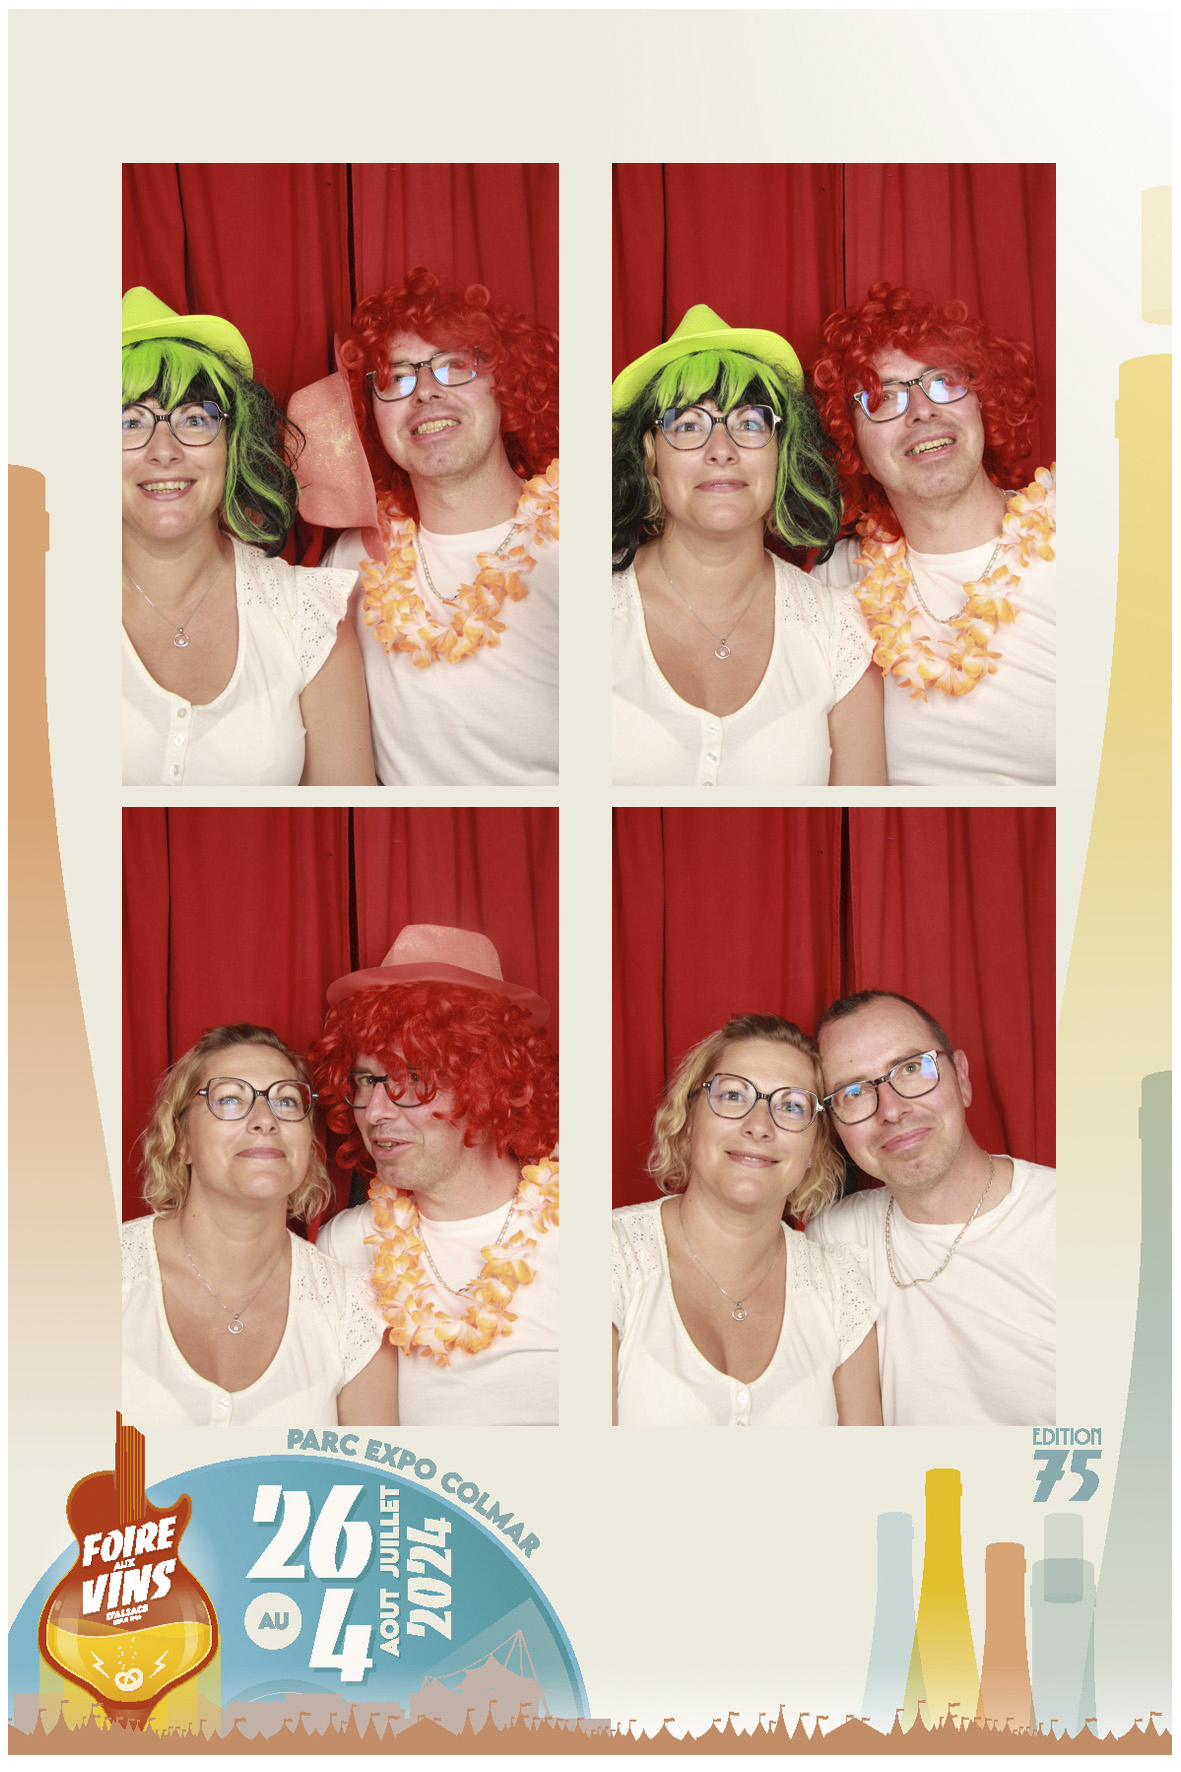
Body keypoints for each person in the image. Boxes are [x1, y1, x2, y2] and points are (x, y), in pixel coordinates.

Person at [290, 267, 559, 787]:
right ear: (368, 415)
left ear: (505, 385)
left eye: (455, 366)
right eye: (396, 379)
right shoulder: (349, 564)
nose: (426, 393)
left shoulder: (591, 544)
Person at [611, 304, 885, 788]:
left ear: (783, 455)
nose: (722, 450)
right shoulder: (575, 613)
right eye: (688, 425)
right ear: (650, 458)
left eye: (750, 423)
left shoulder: (840, 631)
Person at [121, 288, 376, 787]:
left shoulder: (309, 617)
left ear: (231, 445)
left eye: (195, 419)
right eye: (130, 422)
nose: (164, 450)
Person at [312, 925, 559, 1426]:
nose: (375, 1111)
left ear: (487, 1085)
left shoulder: (593, 1239)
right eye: (366, 1080)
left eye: (412, 1079)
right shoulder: (345, 1246)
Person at [810, 282, 1055, 785]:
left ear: (982, 403)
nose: (922, 409)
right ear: (851, 442)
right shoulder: (836, 581)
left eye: (942, 381)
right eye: (883, 398)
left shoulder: (1095, 536)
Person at [612, 1014, 882, 1427]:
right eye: (734, 1096)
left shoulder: (841, 1288)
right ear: (690, 1120)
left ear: (814, 1145)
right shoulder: (609, 1254)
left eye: (791, 1106)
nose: (759, 1126)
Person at [122, 1024, 398, 1426]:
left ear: (307, 1142)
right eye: (229, 1099)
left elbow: (370, 1466)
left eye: (286, 1101)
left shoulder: (355, 1310)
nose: (265, 1120)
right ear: (182, 1140)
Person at [806, 990, 1056, 1425]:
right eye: (853, 1092)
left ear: (962, 1078)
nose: (892, 1110)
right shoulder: (832, 1239)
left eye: (911, 1068)